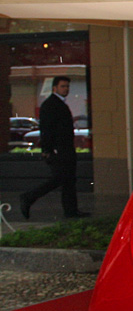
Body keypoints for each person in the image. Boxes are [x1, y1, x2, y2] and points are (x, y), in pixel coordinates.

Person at [19, 76, 88, 219]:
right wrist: (47, 150)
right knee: (61, 178)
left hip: (66, 148)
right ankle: (28, 197)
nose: (66, 89)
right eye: (63, 86)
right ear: (54, 88)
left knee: (68, 180)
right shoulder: (51, 104)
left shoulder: (59, 104)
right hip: (59, 150)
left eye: (67, 87)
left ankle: (71, 211)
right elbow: (46, 129)